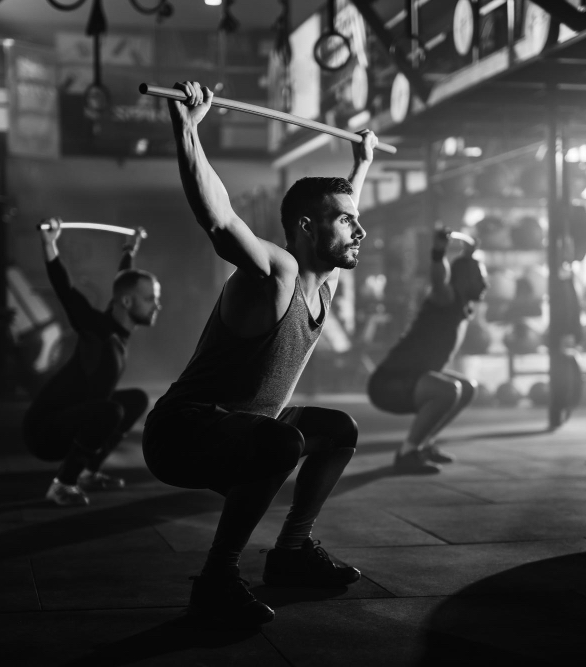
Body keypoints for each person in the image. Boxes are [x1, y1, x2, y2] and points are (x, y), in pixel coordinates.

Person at [141, 81, 378, 626]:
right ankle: (217, 580)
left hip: (245, 430)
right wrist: (187, 128)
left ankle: (292, 552)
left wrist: (358, 163)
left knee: (337, 429)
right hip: (182, 433)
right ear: (305, 228)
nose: (360, 229)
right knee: (281, 440)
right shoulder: (278, 274)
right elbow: (220, 221)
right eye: (346, 221)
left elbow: (342, 212)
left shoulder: (324, 281)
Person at [24, 220, 160, 507]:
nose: (156, 306)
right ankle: (63, 484)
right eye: (150, 299)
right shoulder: (96, 329)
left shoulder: (118, 325)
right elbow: (66, 291)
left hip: (78, 418)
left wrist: (129, 248)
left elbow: (124, 279)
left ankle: (87, 472)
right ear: (127, 302)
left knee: (135, 400)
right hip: (45, 431)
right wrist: (50, 244)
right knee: (110, 410)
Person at [367, 229, 487, 473]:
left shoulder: (461, 306)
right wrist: (438, 252)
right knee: (448, 390)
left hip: (412, 380)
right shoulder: (445, 297)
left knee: (467, 388)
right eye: (479, 276)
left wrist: (469, 255)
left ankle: (424, 444)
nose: (485, 283)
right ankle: (407, 452)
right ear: (463, 278)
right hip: (389, 383)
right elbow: (439, 278)